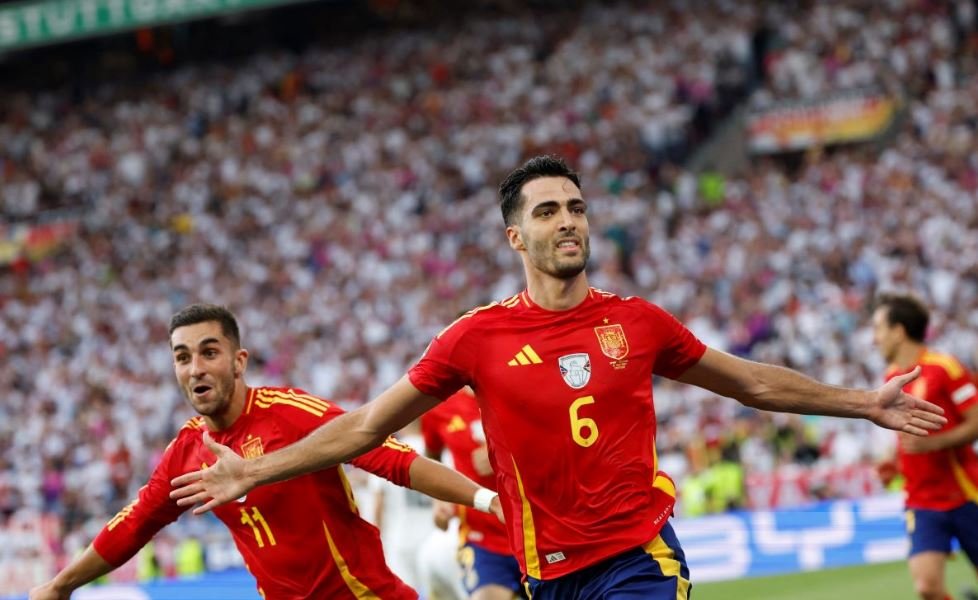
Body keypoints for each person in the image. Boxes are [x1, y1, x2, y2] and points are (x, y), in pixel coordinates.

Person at [172, 156, 946, 600]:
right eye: (547, 212)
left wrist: (862, 404)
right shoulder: (474, 338)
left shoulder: (637, 322)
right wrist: (257, 471)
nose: (568, 219)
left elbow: (749, 382)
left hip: (639, 556)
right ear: (517, 236)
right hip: (545, 576)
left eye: (575, 207)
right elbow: (369, 426)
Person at [30, 303, 501, 600]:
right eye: (182, 357)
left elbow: (391, 457)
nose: (195, 368)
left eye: (209, 352)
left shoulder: (291, 414)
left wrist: (487, 500)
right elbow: (134, 524)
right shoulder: (186, 452)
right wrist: (59, 585)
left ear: (239, 361)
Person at [871, 293, 978, 600]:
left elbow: (976, 422)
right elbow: (906, 438)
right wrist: (894, 463)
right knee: (927, 587)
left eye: (878, 329)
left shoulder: (945, 368)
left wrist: (934, 443)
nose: (875, 339)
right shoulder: (891, 377)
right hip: (921, 499)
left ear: (898, 331)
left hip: (965, 492)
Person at [421, 387, 525, 600]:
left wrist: (506, 455)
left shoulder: (517, 390)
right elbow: (432, 454)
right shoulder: (439, 407)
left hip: (535, 532)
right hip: (481, 539)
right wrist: (438, 498)